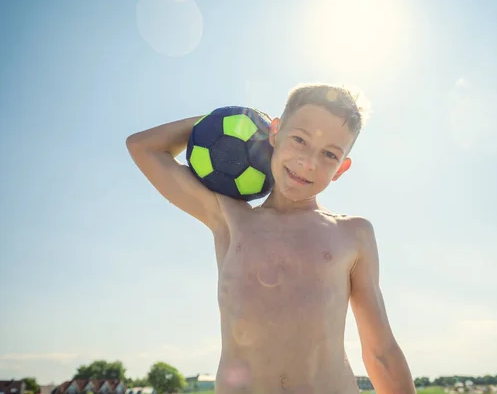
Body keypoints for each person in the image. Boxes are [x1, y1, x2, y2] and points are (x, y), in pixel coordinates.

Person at [126, 83, 417, 394]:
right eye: (299, 139)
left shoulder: (352, 234)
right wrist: (238, 119)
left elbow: (380, 352)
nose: (308, 163)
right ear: (274, 133)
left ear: (341, 169)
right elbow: (144, 147)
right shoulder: (231, 218)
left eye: (329, 154)